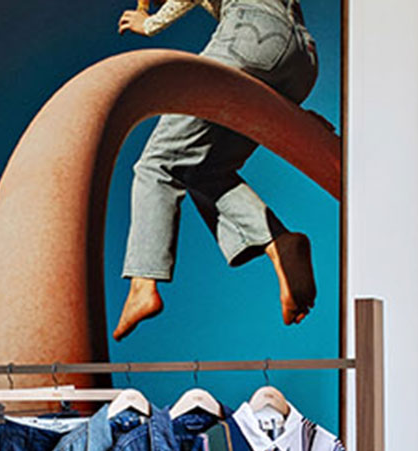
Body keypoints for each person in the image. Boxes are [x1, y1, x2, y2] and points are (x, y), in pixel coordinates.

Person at [113, 0, 321, 341]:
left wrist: (150, 23)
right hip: (302, 60)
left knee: (158, 163)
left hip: (250, 34)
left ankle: (142, 285)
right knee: (203, 170)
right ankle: (277, 243)